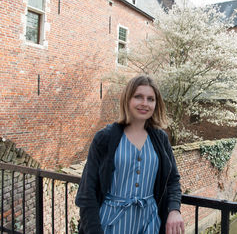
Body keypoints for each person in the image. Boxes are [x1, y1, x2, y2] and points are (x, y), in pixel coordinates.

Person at [75, 75, 184, 234]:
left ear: (156, 104)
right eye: (138, 97)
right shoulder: (105, 138)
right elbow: (87, 192)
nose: (144, 103)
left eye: (150, 99)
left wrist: (174, 209)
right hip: (110, 224)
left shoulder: (161, 139)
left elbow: (173, 180)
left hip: (150, 224)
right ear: (127, 100)